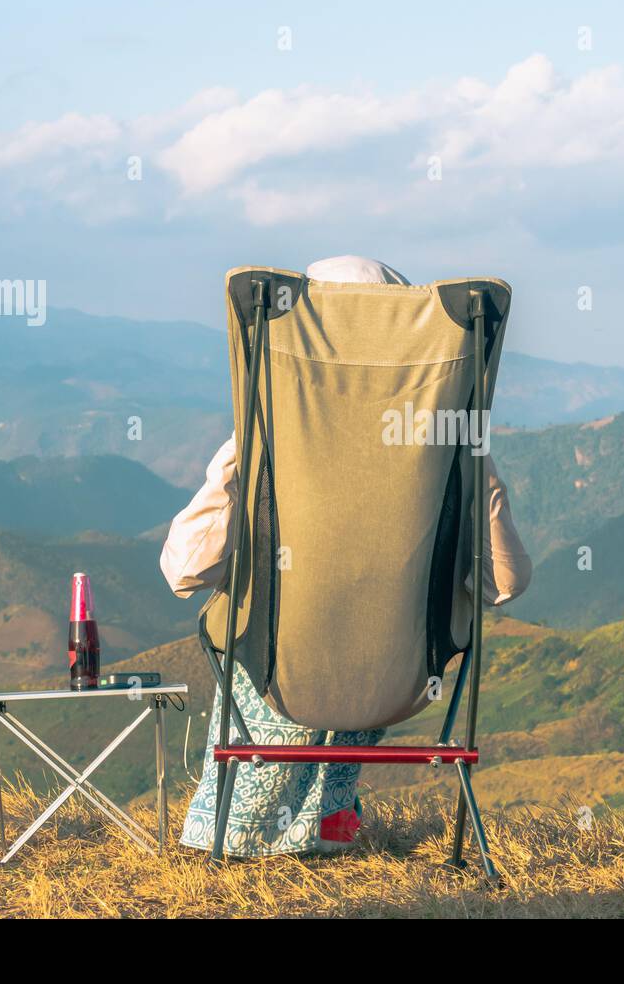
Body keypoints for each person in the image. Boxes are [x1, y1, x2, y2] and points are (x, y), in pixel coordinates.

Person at [161, 255, 532, 857]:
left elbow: (185, 571)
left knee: (246, 610)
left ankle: (241, 828)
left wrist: (233, 462)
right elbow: (507, 583)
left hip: (278, 666)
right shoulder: (449, 450)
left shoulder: (264, 437)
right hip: (395, 675)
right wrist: (479, 475)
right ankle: (329, 818)